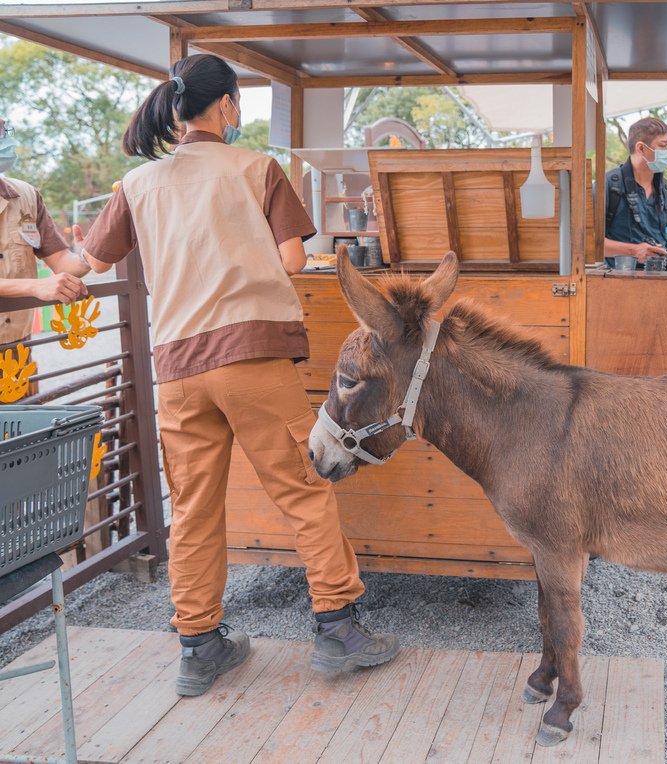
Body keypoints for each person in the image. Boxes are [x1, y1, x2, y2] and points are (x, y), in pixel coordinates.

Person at [80, 54, 399, 696]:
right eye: (237, 103)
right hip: (251, 356)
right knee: (304, 489)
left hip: (176, 368)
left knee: (193, 508)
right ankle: (336, 625)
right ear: (225, 105)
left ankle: (198, 645)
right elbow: (291, 257)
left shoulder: (136, 185)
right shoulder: (257, 167)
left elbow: (86, 261)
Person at [0, 115, 90, 349]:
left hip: (16, 340)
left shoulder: (26, 195)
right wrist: (34, 286)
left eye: (2, 131)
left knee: (21, 386)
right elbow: (38, 286)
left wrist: (88, 255)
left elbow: (61, 261)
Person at [604, 117, 667, 269]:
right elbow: (588, 243)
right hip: (619, 282)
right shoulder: (609, 186)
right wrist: (633, 251)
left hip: (661, 279)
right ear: (641, 148)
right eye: (662, 146)